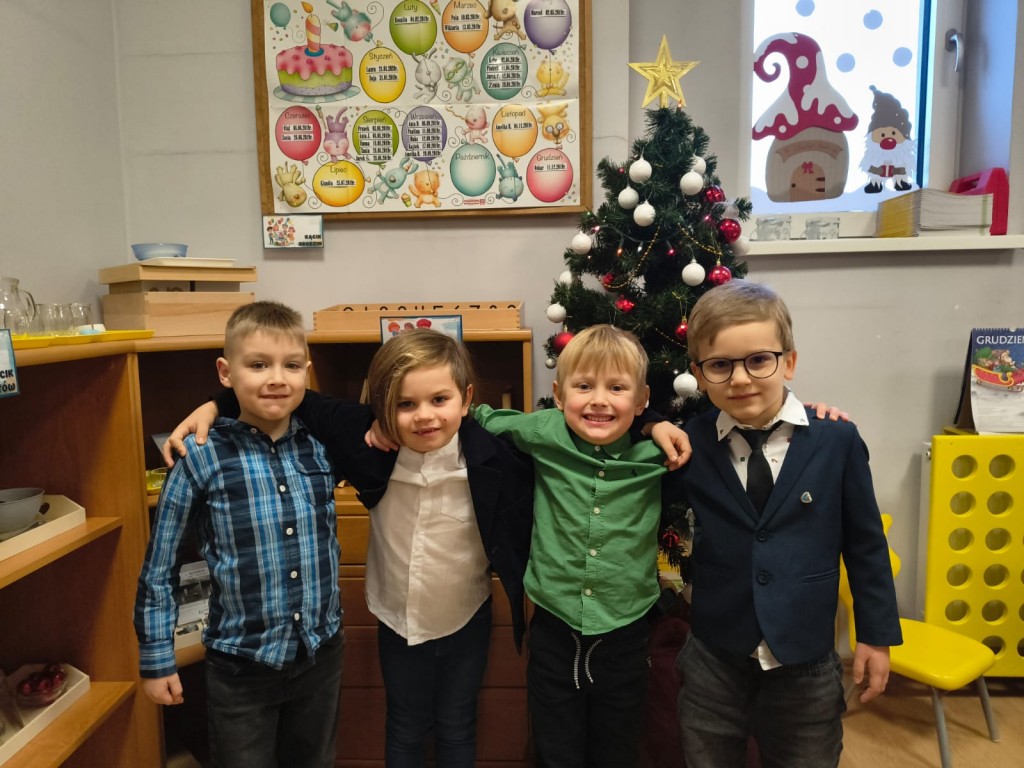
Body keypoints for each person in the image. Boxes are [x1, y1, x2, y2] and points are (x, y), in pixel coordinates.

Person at [162, 328, 536, 768]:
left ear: (466, 398)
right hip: (397, 620)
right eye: (404, 405)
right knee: (405, 725)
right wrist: (214, 405)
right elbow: (291, 396)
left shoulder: (492, 456)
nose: (424, 417)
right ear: (381, 407)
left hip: (466, 617)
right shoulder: (364, 439)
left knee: (457, 724)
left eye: (439, 400)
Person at [674, 279, 902, 768]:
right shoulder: (689, 443)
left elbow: (866, 546)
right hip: (715, 657)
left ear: (789, 362)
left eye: (759, 360)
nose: (740, 379)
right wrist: (654, 424)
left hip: (806, 661)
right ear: (699, 374)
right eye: (720, 365)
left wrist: (875, 635)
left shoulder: (836, 441)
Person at [134, 301, 344, 768]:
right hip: (241, 664)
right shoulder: (200, 457)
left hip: (320, 653)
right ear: (225, 373)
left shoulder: (320, 447)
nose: (277, 379)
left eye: (291, 366)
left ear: (307, 372)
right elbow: (160, 567)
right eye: (258, 365)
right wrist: (157, 658)